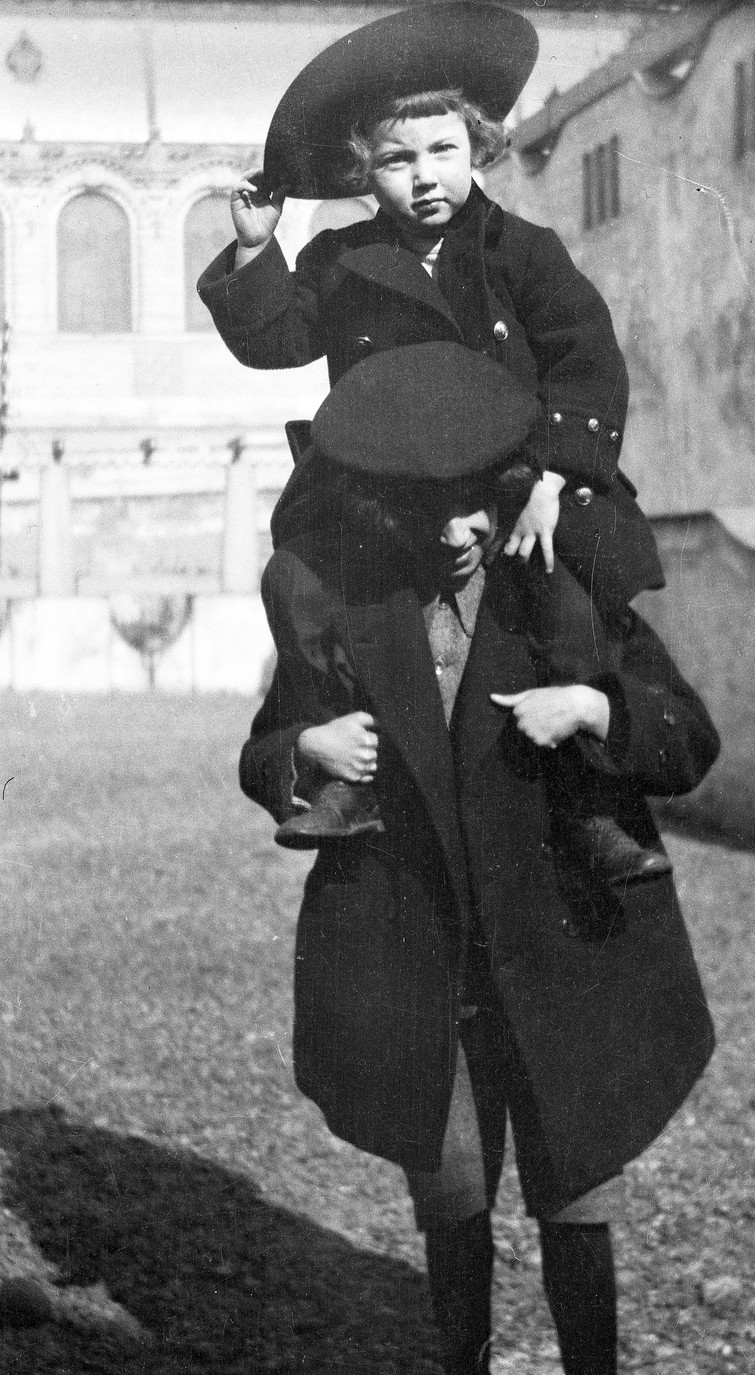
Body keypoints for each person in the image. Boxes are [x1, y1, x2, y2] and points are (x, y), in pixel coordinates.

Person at [239, 342, 722, 1375]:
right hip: (419, 955)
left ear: (506, 490)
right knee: (450, 1195)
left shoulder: (560, 593)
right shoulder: (342, 610)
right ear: (384, 509)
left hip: (560, 955)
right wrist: (309, 746)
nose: (456, 530)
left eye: (476, 502)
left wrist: (598, 711)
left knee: (576, 1198)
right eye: (426, 508)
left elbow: (687, 735)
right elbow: (259, 756)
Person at [198, 3, 668, 865]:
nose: (424, 177)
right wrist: (254, 252)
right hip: (377, 486)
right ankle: (347, 775)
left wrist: (555, 482)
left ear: (478, 146)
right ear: (359, 174)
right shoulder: (339, 262)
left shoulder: (521, 252)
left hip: (512, 478)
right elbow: (275, 343)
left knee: (569, 589)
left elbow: (584, 355)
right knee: (298, 581)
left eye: (443, 151)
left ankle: (588, 799)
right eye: (395, 160)